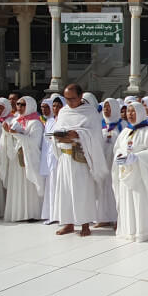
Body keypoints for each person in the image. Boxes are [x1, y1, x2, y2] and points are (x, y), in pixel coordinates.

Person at [51, 84, 109, 237]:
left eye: (73, 98)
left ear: (81, 96)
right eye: (67, 99)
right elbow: (56, 130)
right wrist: (59, 136)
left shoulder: (90, 113)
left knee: (82, 191)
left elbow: (95, 136)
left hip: (81, 157)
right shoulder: (63, 111)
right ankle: (68, 223)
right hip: (65, 156)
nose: (70, 102)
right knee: (65, 191)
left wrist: (77, 135)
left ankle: (84, 224)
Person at [112, 100, 148, 242]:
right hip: (126, 173)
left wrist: (137, 157)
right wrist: (120, 156)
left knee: (140, 202)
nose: (130, 114)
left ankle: (143, 232)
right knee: (127, 202)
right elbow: (117, 149)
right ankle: (128, 231)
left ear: (140, 112)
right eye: (128, 111)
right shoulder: (125, 132)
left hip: (141, 175)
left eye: (133, 111)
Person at [0, 96, 45, 222]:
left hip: (29, 158)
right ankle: (19, 213)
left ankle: (32, 213)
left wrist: (16, 134)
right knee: (18, 184)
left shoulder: (35, 123)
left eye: (22, 105)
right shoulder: (15, 120)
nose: (19, 107)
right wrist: (7, 133)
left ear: (30, 106)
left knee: (29, 186)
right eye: (18, 104)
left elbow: (34, 143)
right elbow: (10, 137)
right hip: (17, 158)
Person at [95, 98, 122, 229]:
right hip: (103, 162)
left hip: (115, 163)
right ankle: (103, 218)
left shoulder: (122, 125)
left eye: (109, 107)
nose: (106, 110)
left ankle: (118, 219)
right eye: (105, 107)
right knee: (102, 190)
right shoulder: (101, 125)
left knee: (115, 190)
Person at [40, 94, 64, 223]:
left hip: (60, 156)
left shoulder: (65, 120)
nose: (55, 108)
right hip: (50, 157)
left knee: (60, 186)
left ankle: (62, 215)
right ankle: (52, 214)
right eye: (54, 106)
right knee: (51, 186)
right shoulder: (49, 121)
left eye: (58, 106)